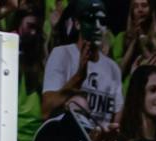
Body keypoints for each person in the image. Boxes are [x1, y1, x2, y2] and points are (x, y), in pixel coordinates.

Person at [42, 0, 120, 131]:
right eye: (90, 19)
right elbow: (46, 110)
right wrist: (78, 77)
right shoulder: (62, 55)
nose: (97, 26)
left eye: (102, 21)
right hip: (67, 140)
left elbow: (117, 118)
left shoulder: (113, 68)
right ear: (77, 24)